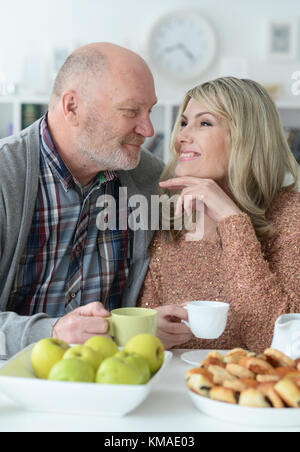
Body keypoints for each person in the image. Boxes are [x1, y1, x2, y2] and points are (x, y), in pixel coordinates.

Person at [0, 42, 165, 358]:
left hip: (113, 375)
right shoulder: (6, 176)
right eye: (131, 111)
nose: (148, 129)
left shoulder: (148, 179)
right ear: (72, 107)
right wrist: (49, 332)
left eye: (150, 110)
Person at [138, 77, 300, 353]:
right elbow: (148, 323)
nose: (181, 137)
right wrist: (152, 330)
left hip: (251, 391)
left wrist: (232, 221)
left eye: (204, 123)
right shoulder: (174, 215)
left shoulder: (291, 214)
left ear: (247, 138)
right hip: (175, 387)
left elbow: (276, 344)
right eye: (184, 123)